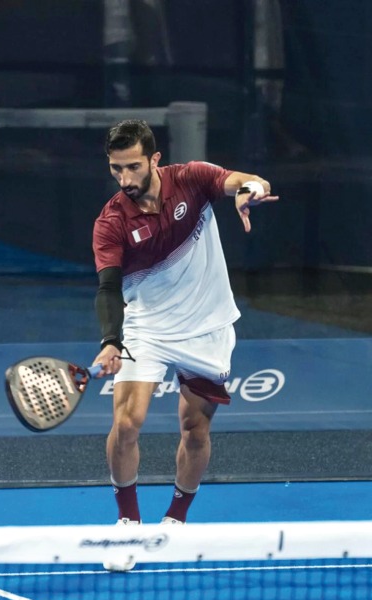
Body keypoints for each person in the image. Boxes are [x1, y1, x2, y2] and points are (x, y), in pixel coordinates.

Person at [90, 119, 277, 524]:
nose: (124, 178)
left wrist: (250, 192)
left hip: (207, 325)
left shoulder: (191, 179)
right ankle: (128, 522)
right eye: (116, 168)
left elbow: (246, 180)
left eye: (133, 167)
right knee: (126, 424)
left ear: (154, 159)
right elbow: (108, 289)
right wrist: (110, 340)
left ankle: (176, 519)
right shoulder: (111, 222)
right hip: (148, 327)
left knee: (195, 430)